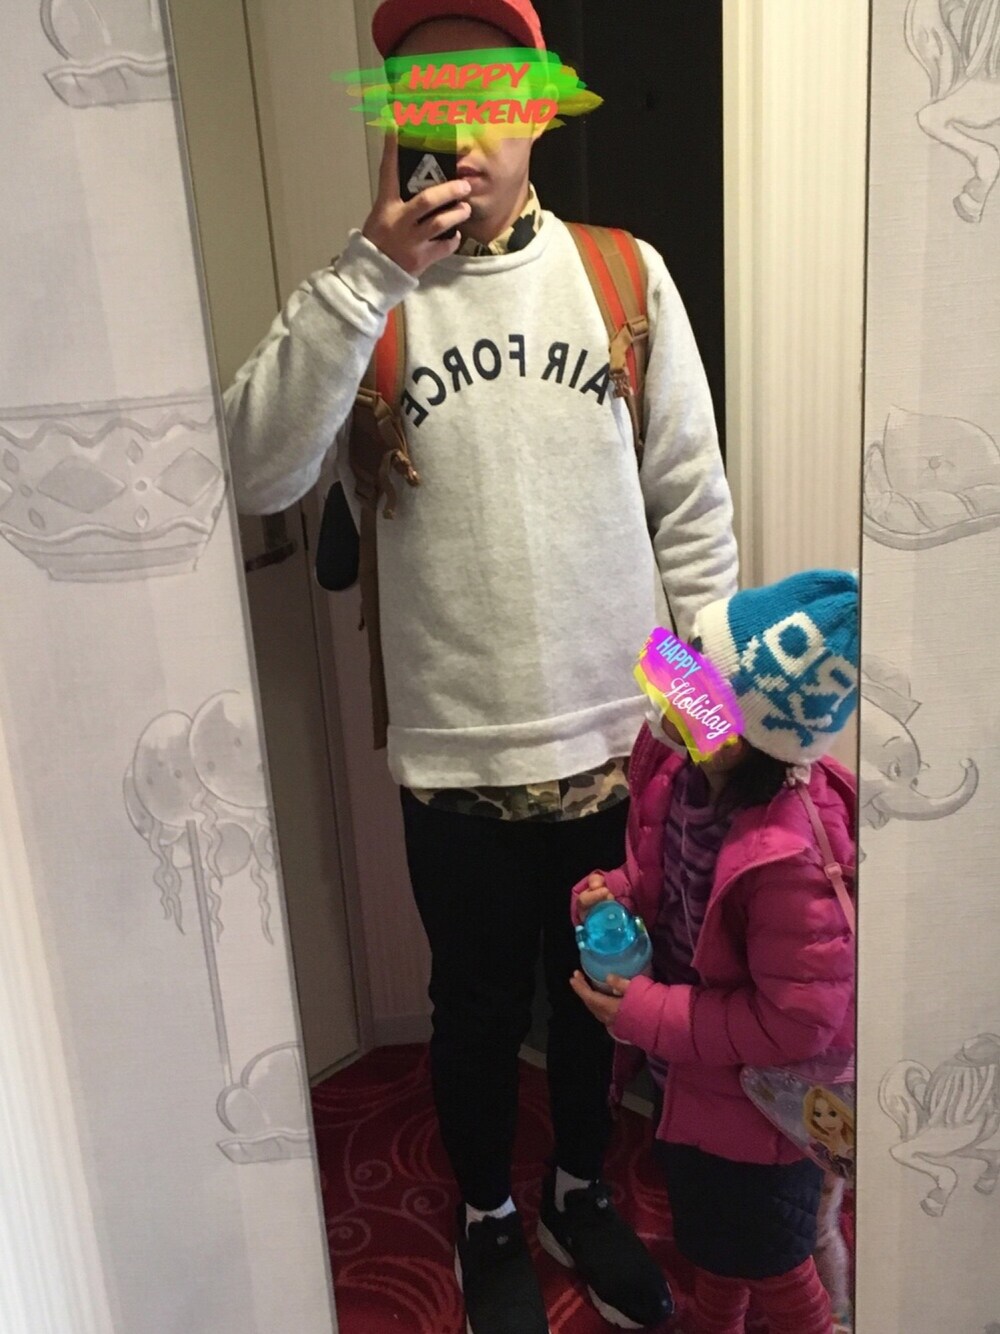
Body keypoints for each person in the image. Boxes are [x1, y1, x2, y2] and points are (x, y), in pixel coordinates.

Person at [223, 0, 738, 1329]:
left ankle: (578, 1189)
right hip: (457, 758)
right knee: (471, 1008)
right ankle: (487, 1214)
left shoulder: (624, 277)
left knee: (603, 992)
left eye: (489, 91)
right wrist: (366, 274)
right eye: (424, 96)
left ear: (539, 109)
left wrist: (711, 728)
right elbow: (258, 471)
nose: (458, 126)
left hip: (619, 744)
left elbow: (692, 514)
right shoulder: (363, 298)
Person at [571, 570, 858, 1334]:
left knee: (776, 1267)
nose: (673, 700)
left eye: (699, 695)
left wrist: (649, 1015)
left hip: (759, 1114)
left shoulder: (789, 858)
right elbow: (664, 883)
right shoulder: (685, 779)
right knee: (714, 1247)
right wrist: (613, 894)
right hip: (693, 1082)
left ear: (752, 736)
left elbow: (796, 1022)